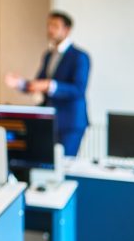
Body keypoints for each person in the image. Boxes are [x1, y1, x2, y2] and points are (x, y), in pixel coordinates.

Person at [5, 11, 91, 156]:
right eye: (49, 25)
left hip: (70, 122)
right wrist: (20, 84)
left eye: (55, 26)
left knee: (64, 165)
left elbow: (78, 90)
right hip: (49, 120)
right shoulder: (48, 55)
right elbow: (38, 83)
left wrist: (50, 85)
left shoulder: (80, 57)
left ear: (67, 30)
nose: (50, 30)